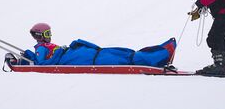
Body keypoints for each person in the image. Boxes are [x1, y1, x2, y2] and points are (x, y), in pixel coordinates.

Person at [23, 23, 175, 67]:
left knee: (126, 54)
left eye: (50, 33)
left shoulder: (45, 47)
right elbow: (42, 64)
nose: (50, 37)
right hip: (80, 58)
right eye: (47, 34)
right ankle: (161, 54)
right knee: (123, 59)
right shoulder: (41, 49)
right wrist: (58, 52)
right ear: (39, 36)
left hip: (83, 53)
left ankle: (161, 51)